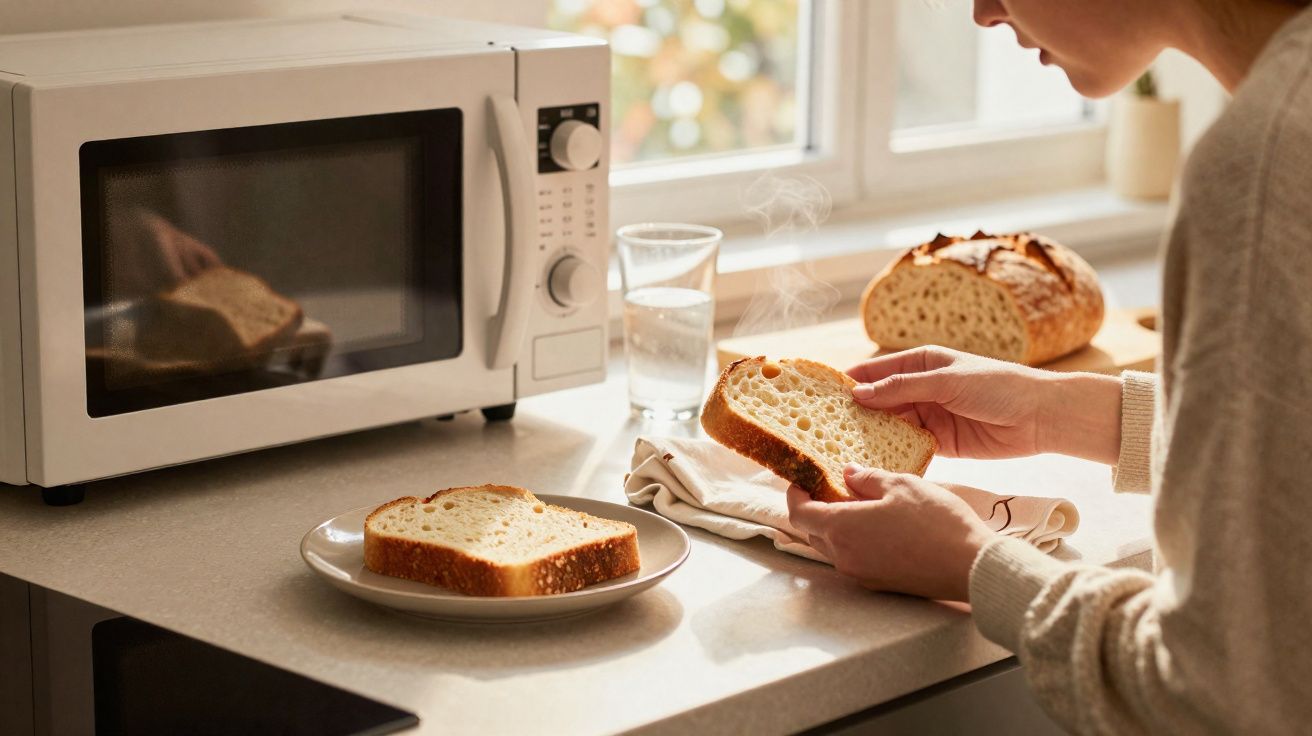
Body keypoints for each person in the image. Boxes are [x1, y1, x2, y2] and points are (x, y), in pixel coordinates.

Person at [786, 0, 1312, 732]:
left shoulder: (1266, 161)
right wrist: (1059, 412)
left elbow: (1217, 693)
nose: (982, 11)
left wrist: (974, 563)